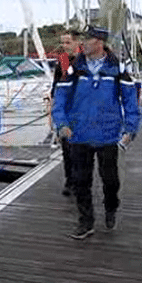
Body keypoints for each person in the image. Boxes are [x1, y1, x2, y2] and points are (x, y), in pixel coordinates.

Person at [51, 26, 141, 239]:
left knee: (111, 180)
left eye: (87, 39)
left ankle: (111, 207)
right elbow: (60, 96)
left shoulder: (117, 69)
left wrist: (130, 129)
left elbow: (130, 100)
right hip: (79, 133)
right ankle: (86, 221)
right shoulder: (74, 67)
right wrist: (61, 123)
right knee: (80, 180)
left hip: (108, 134)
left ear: (99, 42)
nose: (83, 43)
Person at [51, 30, 82, 197]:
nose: (64, 46)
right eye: (62, 43)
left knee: (81, 151)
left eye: (68, 42)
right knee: (67, 150)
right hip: (66, 113)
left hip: (83, 112)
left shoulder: (86, 61)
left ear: (77, 43)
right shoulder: (61, 62)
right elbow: (55, 88)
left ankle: (81, 181)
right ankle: (70, 180)